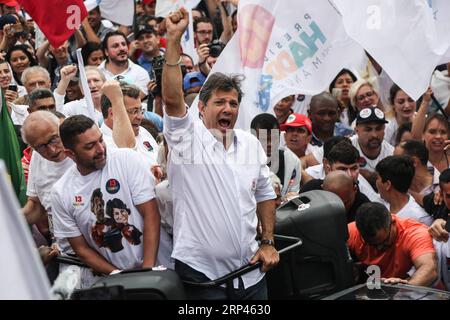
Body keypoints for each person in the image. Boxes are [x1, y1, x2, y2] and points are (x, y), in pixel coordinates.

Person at [162, 8, 279, 300]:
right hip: (203, 275)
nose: (228, 108)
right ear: (201, 108)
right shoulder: (187, 140)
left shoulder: (251, 144)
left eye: (233, 103)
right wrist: (173, 41)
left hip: (251, 273)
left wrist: (268, 241)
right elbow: (173, 99)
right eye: (219, 102)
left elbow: (265, 194)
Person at [51, 115, 161, 275]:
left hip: (156, 270)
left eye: (100, 140)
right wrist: (117, 276)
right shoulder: (61, 192)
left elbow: (151, 214)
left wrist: (147, 270)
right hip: (114, 282)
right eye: (90, 146)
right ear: (70, 154)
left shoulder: (126, 159)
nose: (101, 149)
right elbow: (81, 248)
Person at [348, 202, 437, 287]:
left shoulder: (414, 234)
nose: (379, 248)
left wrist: (406, 287)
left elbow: (429, 270)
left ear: (393, 223)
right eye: (372, 244)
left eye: (384, 241)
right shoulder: (352, 232)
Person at [301, 141, 371, 222]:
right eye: (342, 169)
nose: (349, 175)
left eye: (354, 168)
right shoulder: (311, 190)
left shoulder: (364, 208)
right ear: (329, 168)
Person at [250, 113, 301, 198]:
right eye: (264, 139)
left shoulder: (292, 161)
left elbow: (293, 193)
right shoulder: (241, 160)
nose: (270, 144)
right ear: (253, 137)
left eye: (274, 138)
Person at [375, 155, 433, 226]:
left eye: (377, 178)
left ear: (388, 184)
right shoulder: (376, 204)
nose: (376, 182)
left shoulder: (420, 219)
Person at [351, 106, 394, 186]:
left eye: (378, 129)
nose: (374, 135)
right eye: (368, 129)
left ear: (384, 129)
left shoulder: (392, 154)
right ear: (356, 130)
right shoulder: (348, 146)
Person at [98, 31, 150, 97]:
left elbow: (136, 100)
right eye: (115, 46)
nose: (122, 48)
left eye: (124, 44)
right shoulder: (96, 74)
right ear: (106, 52)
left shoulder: (140, 73)